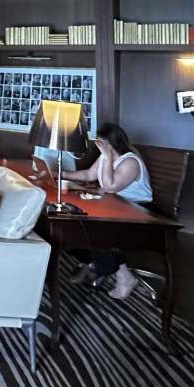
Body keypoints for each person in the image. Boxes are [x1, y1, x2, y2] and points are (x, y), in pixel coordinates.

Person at [62, 122, 153, 299]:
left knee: (97, 231)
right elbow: (89, 175)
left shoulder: (130, 162)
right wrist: (61, 173)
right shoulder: (106, 157)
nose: (98, 145)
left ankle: (124, 276)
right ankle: (91, 263)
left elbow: (110, 186)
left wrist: (107, 157)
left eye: (101, 143)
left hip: (138, 210)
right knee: (71, 226)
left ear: (111, 144)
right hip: (114, 205)